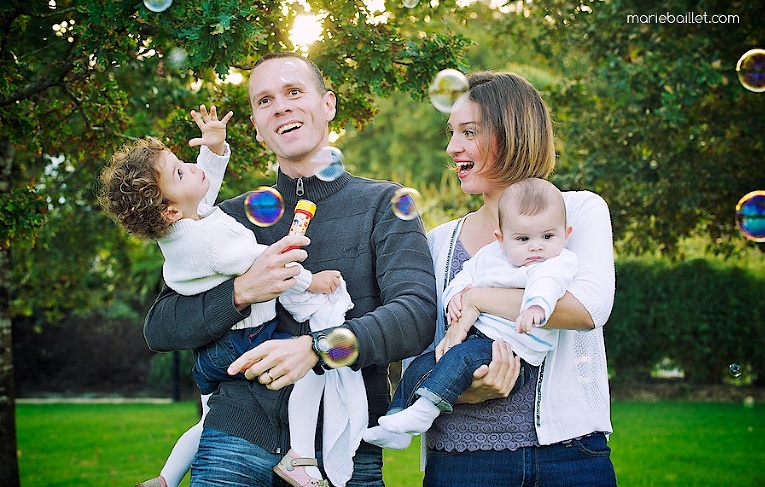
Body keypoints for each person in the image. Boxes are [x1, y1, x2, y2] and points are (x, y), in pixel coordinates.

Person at [142, 52, 438, 487]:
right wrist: (240, 292)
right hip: (234, 439)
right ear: (259, 131)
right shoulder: (225, 219)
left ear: (328, 105)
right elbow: (161, 327)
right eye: (265, 101)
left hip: (342, 453)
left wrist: (317, 349)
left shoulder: (383, 206)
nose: (280, 106)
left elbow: (415, 315)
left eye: (294, 92)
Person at [98, 105, 363, 487]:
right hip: (244, 340)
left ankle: (164, 479)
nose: (191, 167)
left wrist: (214, 148)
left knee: (207, 421)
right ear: (171, 209)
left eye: (183, 161)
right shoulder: (210, 239)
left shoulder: (182, 225)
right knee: (312, 363)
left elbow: (204, 183)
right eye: (179, 171)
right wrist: (313, 281)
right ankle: (298, 458)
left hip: (212, 353)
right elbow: (269, 265)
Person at [414, 71, 617, 486]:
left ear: (513, 133)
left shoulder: (578, 211)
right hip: (461, 459)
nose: (453, 148)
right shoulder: (438, 242)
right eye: (451, 133)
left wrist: (478, 299)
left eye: (468, 132)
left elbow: (587, 308)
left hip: (570, 454)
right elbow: (422, 352)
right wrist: (454, 388)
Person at [363, 177, 577, 448]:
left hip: (514, 353)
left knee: (461, 357)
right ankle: (397, 421)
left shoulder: (556, 261)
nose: (536, 246)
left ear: (565, 234)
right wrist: (455, 297)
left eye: (548, 236)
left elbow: (548, 285)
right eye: (522, 238)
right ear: (501, 238)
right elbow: (466, 277)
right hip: (476, 340)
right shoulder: (492, 256)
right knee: (422, 364)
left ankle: (424, 412)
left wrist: (535, 307)